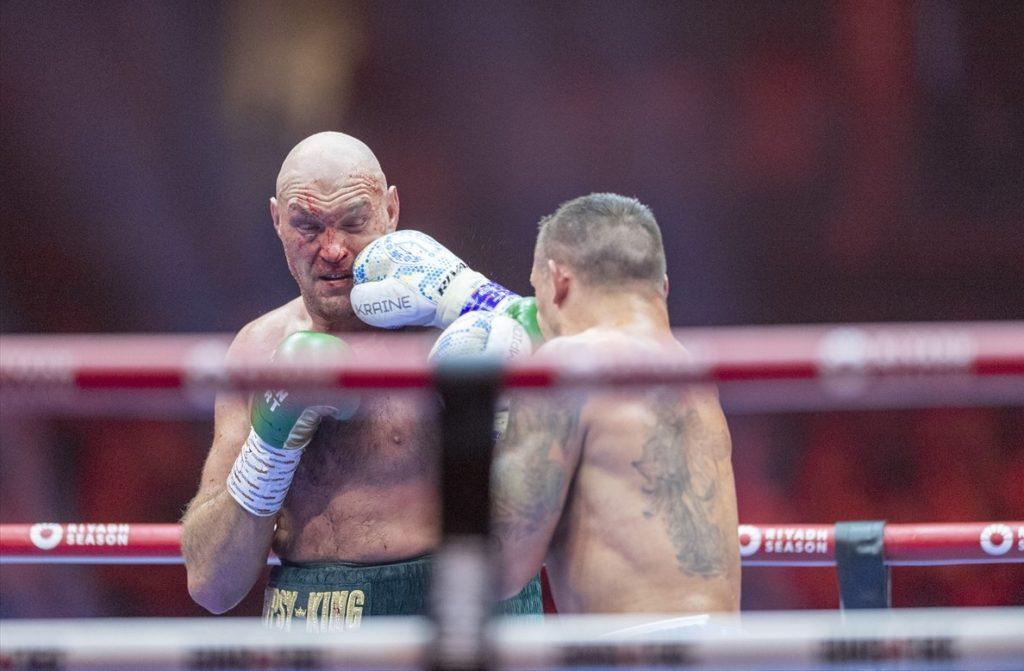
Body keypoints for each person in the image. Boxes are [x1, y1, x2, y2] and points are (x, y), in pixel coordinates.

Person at [180, 132, 541, 629]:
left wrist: (482, 301)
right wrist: (269, 444)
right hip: (314, 620)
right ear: (276, 221)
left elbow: (603, 379)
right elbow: (211, 584)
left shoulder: (459, 329)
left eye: (354, 222)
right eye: (308, 226)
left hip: (463, 613)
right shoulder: (257, 350)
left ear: (390, 210)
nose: (333, 249)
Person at [360, 193, 740, 613]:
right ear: (661, 287)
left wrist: (480, 422)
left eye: (536, 295)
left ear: (559, 283)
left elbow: (498, 570)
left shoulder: (567, 368)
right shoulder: (693, 374)